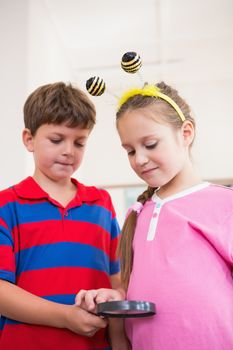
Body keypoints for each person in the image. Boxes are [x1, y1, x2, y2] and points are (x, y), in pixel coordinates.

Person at [76, 82, 233, 349]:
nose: (140, 159)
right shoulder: (138, 214)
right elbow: (137, 289)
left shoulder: (224, 203)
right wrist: (115, 296)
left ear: (186, 133)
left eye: (150, 144)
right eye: (130, 151)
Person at [0, 82, 129, 350]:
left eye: (79, 142)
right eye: (57, 140)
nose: (69, 150)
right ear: (29, 139)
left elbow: (117, 282)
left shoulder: (101, 204)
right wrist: (66, 317)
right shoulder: (6, 206)